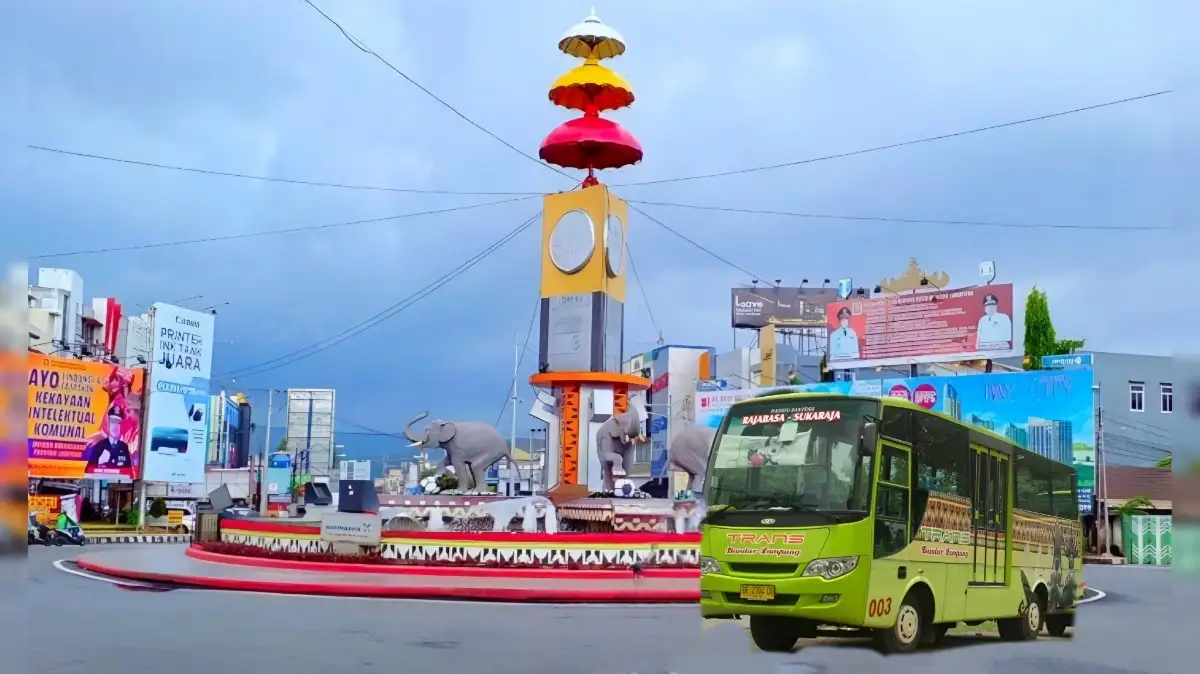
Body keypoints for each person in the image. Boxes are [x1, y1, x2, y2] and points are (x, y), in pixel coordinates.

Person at [85, 405, 133, 472]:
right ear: (108, 424)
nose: (115, 426)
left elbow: (129, 472)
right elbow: (89, 471)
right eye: (113, 422)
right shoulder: (99, 446)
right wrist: (101, 464)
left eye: (118, 423)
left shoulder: (124, 447)